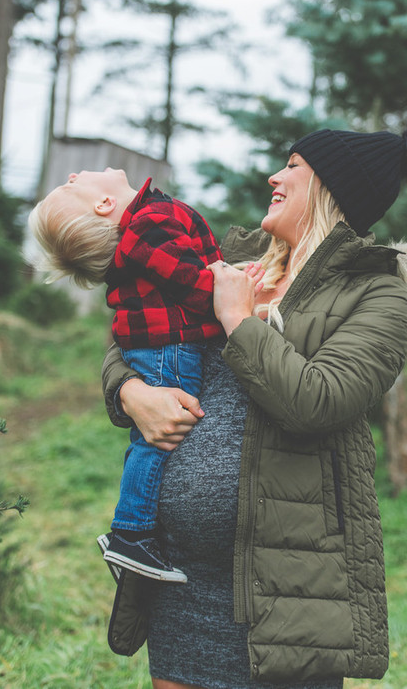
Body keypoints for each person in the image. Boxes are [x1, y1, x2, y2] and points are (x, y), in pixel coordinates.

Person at [101, 127, 407, 689]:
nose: (273, 178)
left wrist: (237, 321)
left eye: (293, 166)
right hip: (180, 578)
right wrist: (130, 394)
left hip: (288, 584)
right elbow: (132, 331)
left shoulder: (376, 294)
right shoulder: (228, 261)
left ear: (330, 188)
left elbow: (318, 400)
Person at [29, 169, 262, 583]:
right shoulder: (147, 225)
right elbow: (194, 285)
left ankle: (131, 531)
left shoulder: (146, 220)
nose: (71, 173)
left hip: (160, 345)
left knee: (152, 437)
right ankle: (131, 534)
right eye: (70, 185)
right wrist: (236, 285)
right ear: (103, 204)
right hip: (169, 348)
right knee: (159, 436)